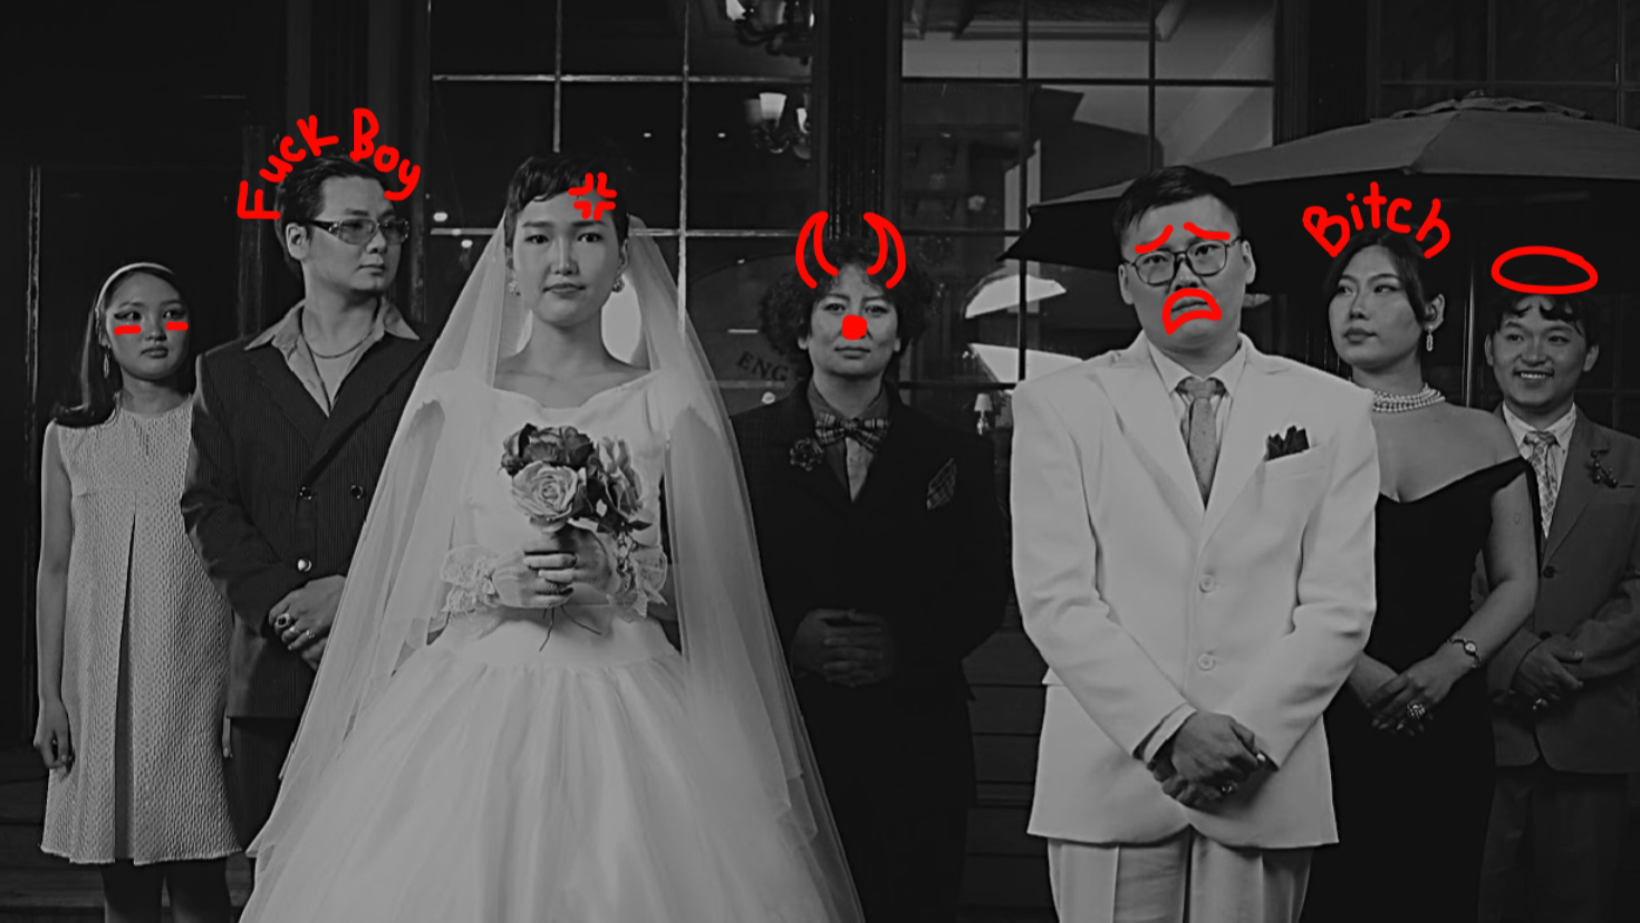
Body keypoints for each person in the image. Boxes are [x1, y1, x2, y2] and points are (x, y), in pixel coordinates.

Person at [234, 152, 863, 922]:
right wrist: (491, 582)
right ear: (507, 260)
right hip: (471, 698)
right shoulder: (452, 398)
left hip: (631, 695)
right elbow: (399, 580)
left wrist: (619, 571)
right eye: (538, 238)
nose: (563, 260)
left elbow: (715, 597)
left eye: (588, 237)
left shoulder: (668, 403)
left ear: (623, 260)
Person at [1010, 165, 1378, 923]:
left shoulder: (1334, 408)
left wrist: (1247, 738)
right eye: (1157, 261)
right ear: (1126, 282)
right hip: (1111, 769)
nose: (1184, 275)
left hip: (1266, 772)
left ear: (1246, 262)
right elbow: (1055, 599)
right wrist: (1171, 730)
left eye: (1205, 252)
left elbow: (1340, 605)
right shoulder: (1059, 406)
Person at [733, 236, 1008, 922]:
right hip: (781, 741)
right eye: (834, 306)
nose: (855, 324)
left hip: (919, 746)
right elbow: (709, 579)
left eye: (876, 308)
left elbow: (984, 589)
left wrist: (904, 646)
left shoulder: (957, 453)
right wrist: (790, 636)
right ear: (801, 329)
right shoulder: (737, 445)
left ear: (901, 332)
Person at [180, 153, 431, 865]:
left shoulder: (435, 366)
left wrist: (356, 597)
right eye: (354, 227)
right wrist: (286, 607)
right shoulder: (228, 370)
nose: (379, 243)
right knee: (277, 882)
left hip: (393, 666)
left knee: (390, 881)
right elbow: (208, 506)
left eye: (390, 227)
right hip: (273, 667)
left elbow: (443, 512)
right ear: (297, 239)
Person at [1298, 229, 1538, 923]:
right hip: (1323, 706)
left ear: (1431, 312)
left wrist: (1448, 665)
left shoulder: (1486, 435)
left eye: (1382, 290)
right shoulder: (1300, 427)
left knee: (1438, 893)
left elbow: (1517, 579)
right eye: (1344, 290)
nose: (1356, 307)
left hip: (1449, 713)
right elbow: (1270, 574)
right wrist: (1352, 669)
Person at [35, 263, 238, 923]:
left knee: (200, 882)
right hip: (102, 688)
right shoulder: (70, 439)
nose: (154, 330)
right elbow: (55, 568)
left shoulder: (218, 429)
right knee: (122, 886)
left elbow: (240, 565)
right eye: (130, 316)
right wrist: (49, 697)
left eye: (171, 314)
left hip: (194, 680)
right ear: (103, 333)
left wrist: (240, 695)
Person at [1476, 289, 1640, 923]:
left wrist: (1565, 661)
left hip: (1592, 734)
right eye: (1516, 336)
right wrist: (1513, 659)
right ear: (1490, 350)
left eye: (1558, 337)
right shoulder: (1454, 452)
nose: (1534, 354)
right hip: (1477, 737)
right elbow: (1439, 579)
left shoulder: (1631, 460)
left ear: (1590, 354)